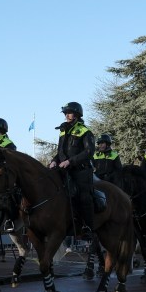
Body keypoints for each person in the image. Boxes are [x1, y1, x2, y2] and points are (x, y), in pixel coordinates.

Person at [49, 101, 95, 236]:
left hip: (81, 170)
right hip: (64, 170)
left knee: (83, 197)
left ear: (76, 114)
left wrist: (70, 161)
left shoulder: (85, 131)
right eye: (66, 113)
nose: (66, 115)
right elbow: (60, 152)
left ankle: (88, 227)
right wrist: (54, 161)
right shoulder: (63, 131)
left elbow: (89, 151)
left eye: (69, 113)